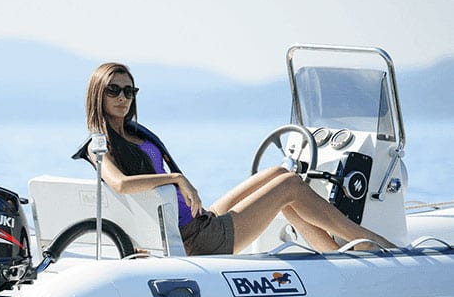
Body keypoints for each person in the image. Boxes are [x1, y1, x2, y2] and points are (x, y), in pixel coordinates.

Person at [75, 62, 395, 255]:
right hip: (198, 241)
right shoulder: (99, 145)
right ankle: (370, 242)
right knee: (290, 188)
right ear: (98, 94)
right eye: (113, 90)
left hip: (199, 222)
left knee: (279, 175)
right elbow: (120, 184)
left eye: (129, 92)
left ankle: (337, 251)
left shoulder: (134, 134)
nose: (122, 98)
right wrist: (176, 178)